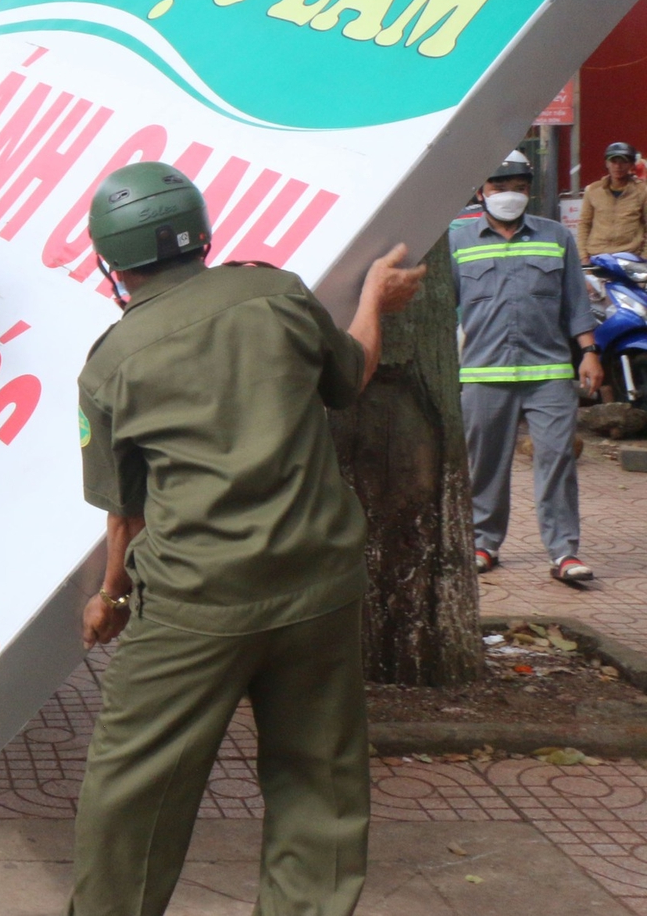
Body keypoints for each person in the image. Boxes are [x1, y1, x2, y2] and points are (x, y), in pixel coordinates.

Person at [73, 162, 424, 916]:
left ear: (113, 261)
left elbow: (126, 516)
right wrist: (374, 301)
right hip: (319, 588)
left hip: (196, 603)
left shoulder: (111, 362)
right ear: (200, 234)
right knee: (319, 781)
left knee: (134, 789)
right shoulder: (277, 293)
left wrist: (109, 597)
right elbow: (351, 373)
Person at [454, 150, 601, 582]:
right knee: (485, 466)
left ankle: (564, 553)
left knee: (556, 460)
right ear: (482, 191)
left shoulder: (556, 236)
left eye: (518, 188)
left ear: (529, 192)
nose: (509, 196)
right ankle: (484, 543)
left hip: (549, 373)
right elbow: (446, 307)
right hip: (483, 374)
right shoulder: (457, 242)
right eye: (500, 187)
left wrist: (589, 351)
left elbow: (576, 299)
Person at [579, 140, 647, 259]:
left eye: (623, 162)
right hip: (597, 256)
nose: (617, 166)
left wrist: (644, 257)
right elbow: (584, 224)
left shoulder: (642, 191)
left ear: (631, 165)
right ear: (607, 163)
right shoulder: (593, 190)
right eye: (613, 161)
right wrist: (583, 256)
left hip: (629, 257)